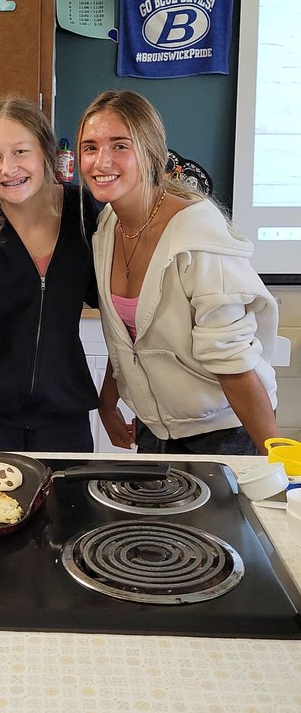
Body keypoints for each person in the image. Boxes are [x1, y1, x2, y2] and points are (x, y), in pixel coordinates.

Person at [77, 88, 279, 456]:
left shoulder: (198, 237)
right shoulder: (108, 226)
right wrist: (107, 403)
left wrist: (275, 458)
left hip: (225, 431)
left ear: (151, 153)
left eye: (120, 146)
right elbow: (126, 339)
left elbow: (232, 361)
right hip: (156, 429)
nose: (101, 161)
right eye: (90, 147)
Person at [0, 96, 100, 452]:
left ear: (45, 151)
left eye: (20, 152)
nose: (9, 169)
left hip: (65, 421)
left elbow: (112, 296)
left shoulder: (82, 210)